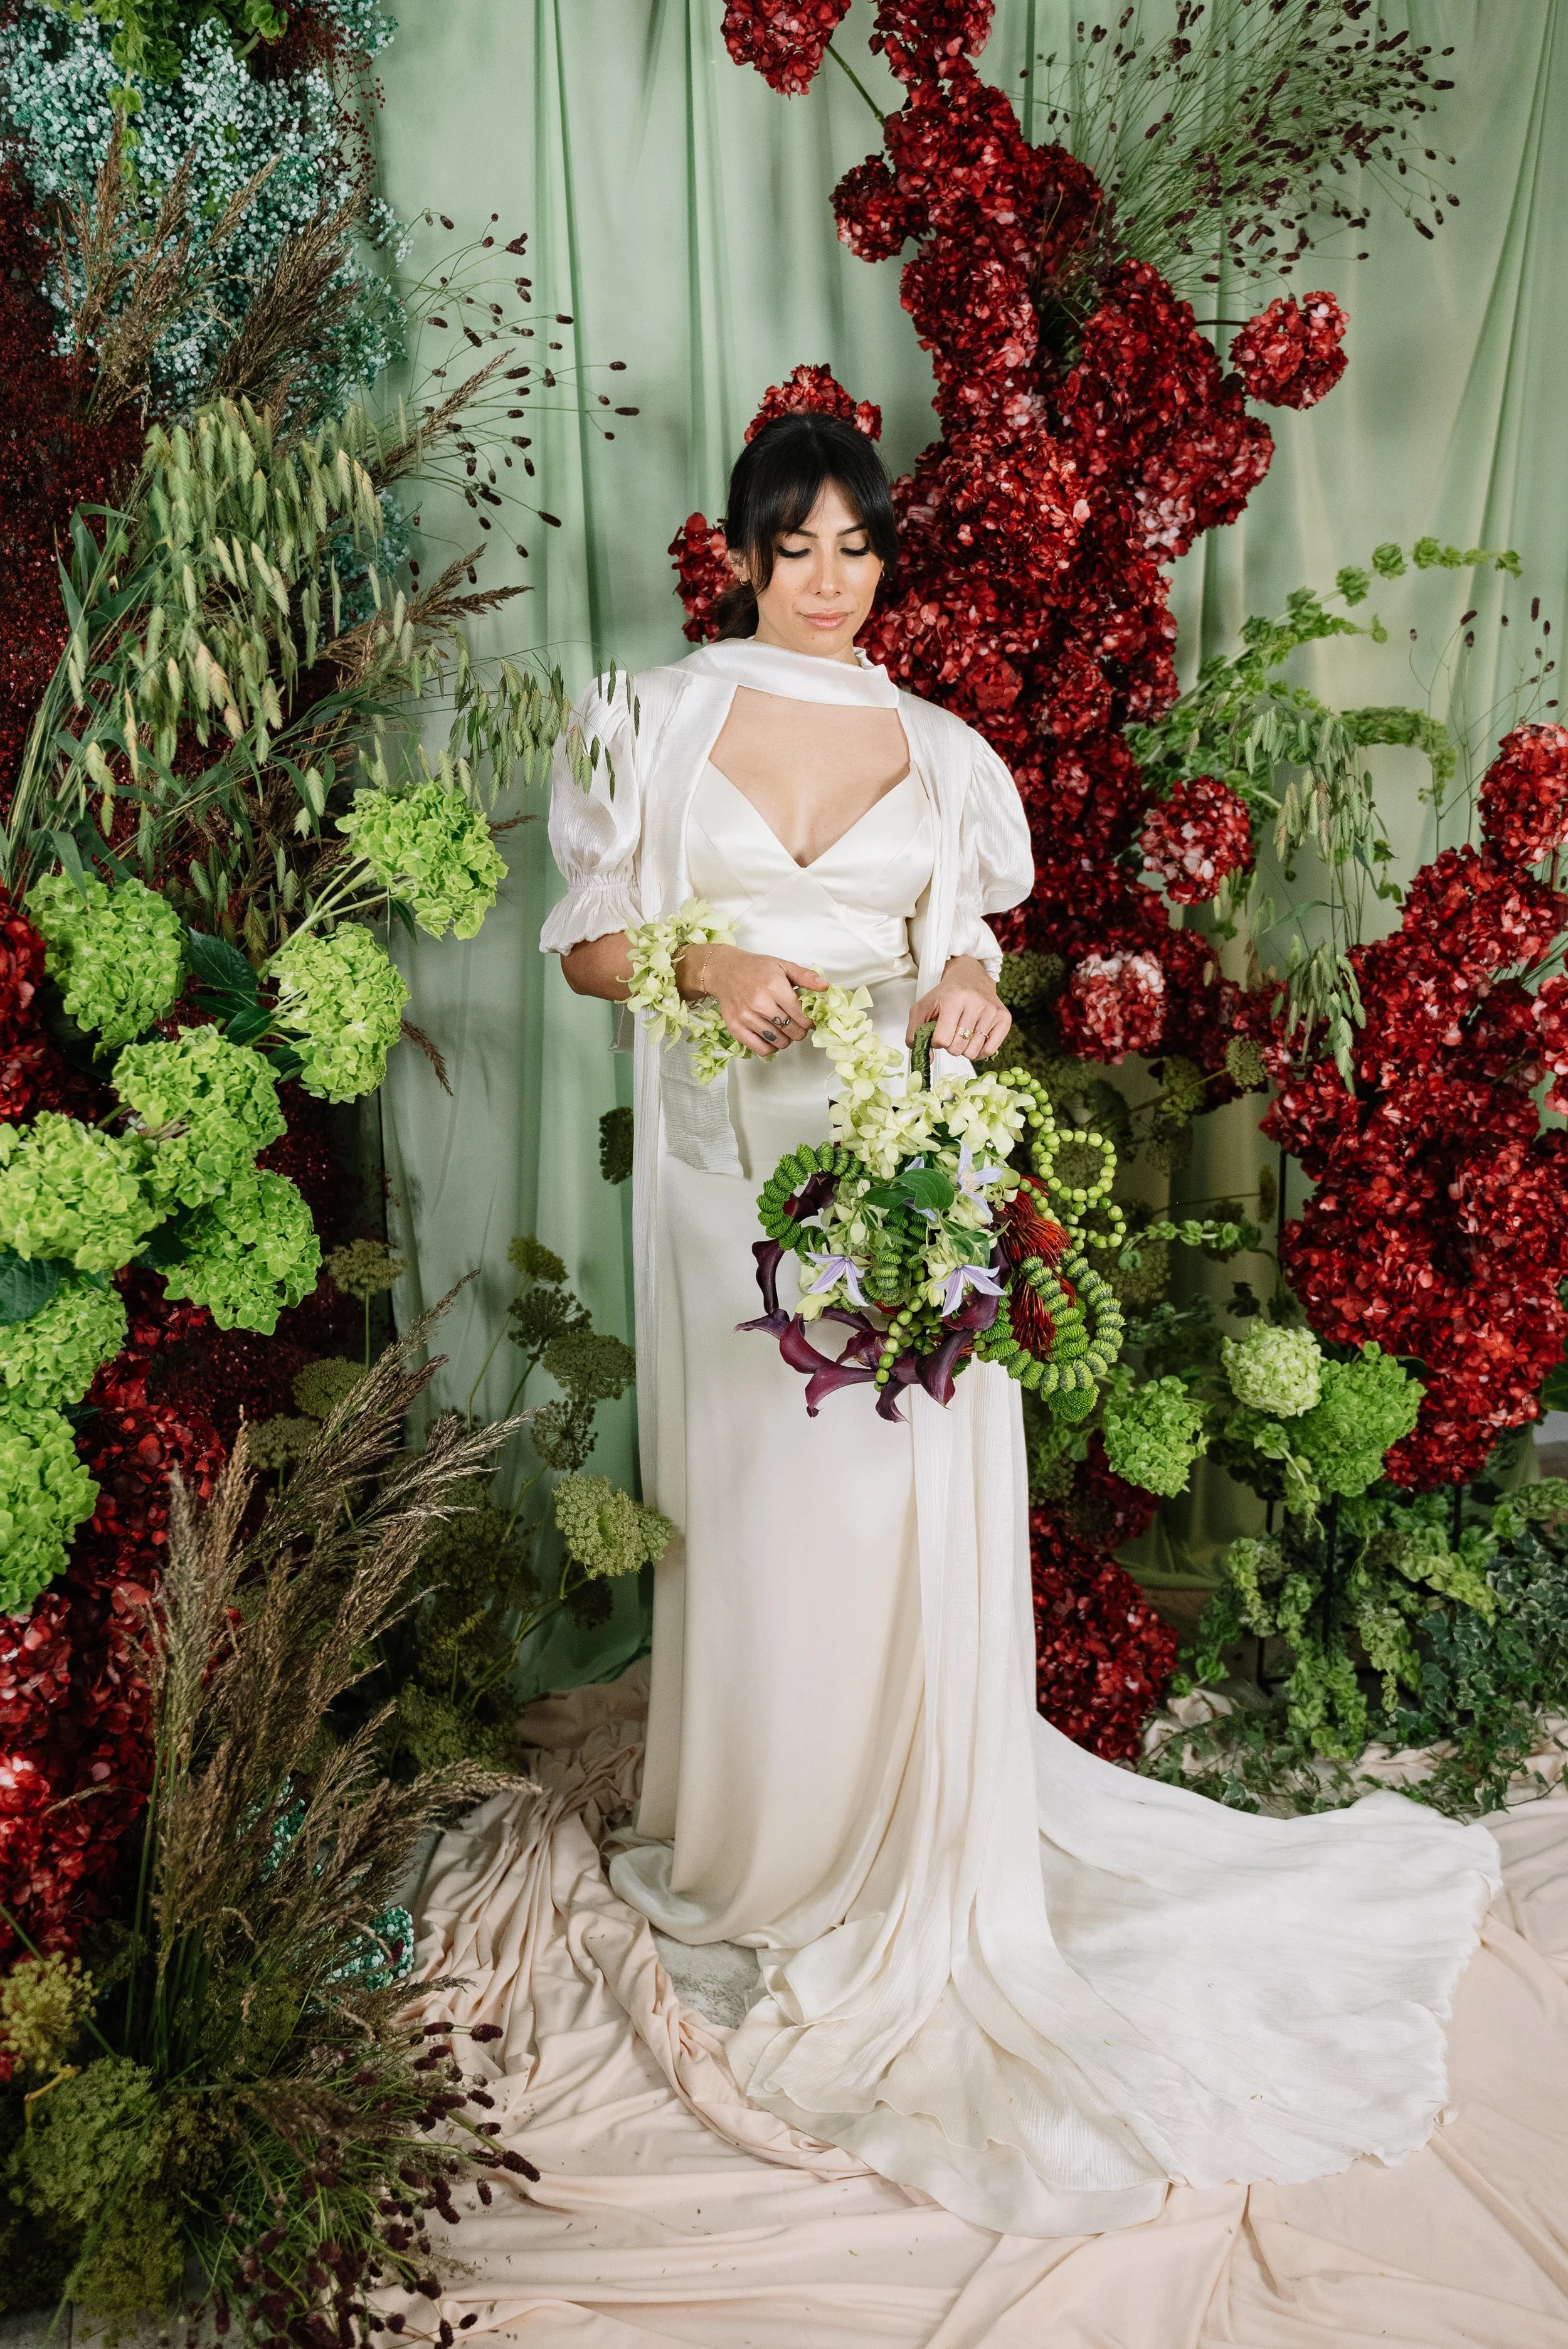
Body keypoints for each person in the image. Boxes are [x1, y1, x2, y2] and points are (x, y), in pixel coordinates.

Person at [541, 409, 1502, 2237]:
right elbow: (588, 940)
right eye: (795, 548)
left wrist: (971, 993)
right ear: (739, 553)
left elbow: (958, 938)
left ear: (885, 557)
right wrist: (704, 959)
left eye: (855, 548)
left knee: (898, 1492)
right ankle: (761, 1839)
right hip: (723, 1170)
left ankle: (921, 1837)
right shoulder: (646, 719)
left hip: (905, 1173)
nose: (829, 582)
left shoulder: (944, 751)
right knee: (757, 1497)